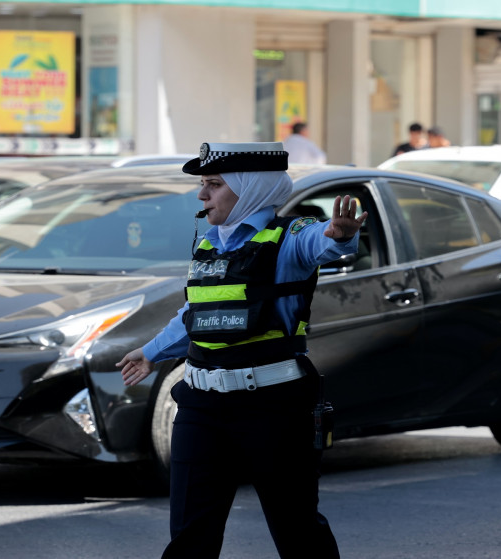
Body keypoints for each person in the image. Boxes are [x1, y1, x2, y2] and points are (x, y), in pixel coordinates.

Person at [117, 141, 366, 558]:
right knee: (190, 538)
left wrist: (339, 236)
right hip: (200, 406)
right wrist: (151, 351)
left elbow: (322, 244)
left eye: (213, 185)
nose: (202, 195)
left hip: (272, 408)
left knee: (297, 531)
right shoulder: (211, 243)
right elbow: (197, 312)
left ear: (249, 189)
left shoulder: (290, 237)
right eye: (203, 185)